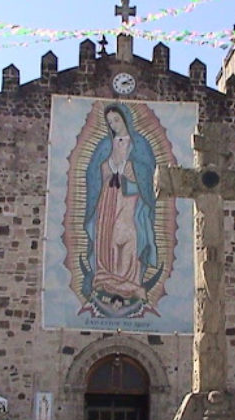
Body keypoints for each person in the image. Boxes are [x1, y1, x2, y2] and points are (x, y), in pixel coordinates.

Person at [82, 103, 158, 309]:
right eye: (110, 123)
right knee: (109, 237)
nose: (114, 125)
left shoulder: (140, 143)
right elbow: (92, 172)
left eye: (117, 120)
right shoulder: (105, 145)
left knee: (131, 236)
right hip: (108, 196)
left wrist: (128, 167)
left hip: (132, 196)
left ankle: (132, 282)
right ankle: (107, 278)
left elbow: (150, 170)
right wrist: (107, 167)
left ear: (125, 119)